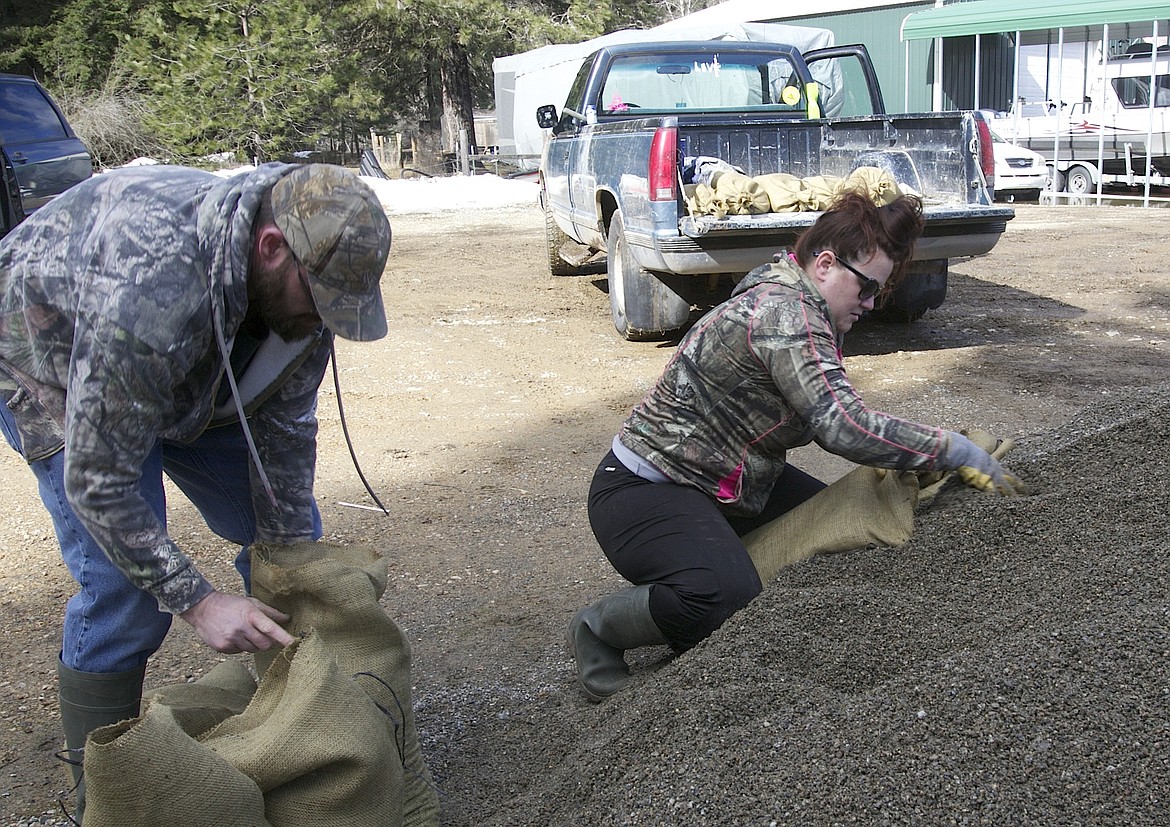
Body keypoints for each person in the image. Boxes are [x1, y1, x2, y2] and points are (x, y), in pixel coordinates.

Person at [0, 161, 392, 814]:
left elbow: (286, 431)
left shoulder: (301, 280)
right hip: (50, 353)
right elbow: (101, 482)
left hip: (184, 363)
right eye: (317, 298)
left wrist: (289, 550)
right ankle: (105, 793)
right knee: (125, 586)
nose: (322, 318)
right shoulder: (153, 283)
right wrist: (199, 602)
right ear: (272, 248)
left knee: (289, 547)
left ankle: (301, 724)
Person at [569, 190, 1022, 703]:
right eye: (868, 287)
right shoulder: (785, 314)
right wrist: (952, 449)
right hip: (645, 491)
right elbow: (844, 427)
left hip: (732, 480)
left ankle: (713, 569)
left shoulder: (798, 297)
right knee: (727, 599)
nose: (872, 304)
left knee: (835, 527)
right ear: (825, 264)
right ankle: (599, 629)